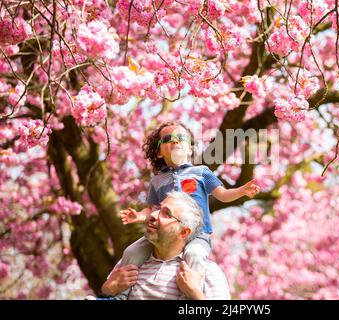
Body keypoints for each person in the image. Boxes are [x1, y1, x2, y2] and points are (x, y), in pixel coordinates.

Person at [108, 121, 259, 299]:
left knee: (194, 254)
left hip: (198, 234)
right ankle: (120, 295)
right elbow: (151, 209)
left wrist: (241, 191)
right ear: (158, 152)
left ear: (189, 149)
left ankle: (187, 295)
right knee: (131, 252)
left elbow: (223, 194)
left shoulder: (201, 172)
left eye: (181, 138)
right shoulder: (157, 180)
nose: (175, 141)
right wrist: (139, 216)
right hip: (167, 233)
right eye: (168, 139)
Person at [99, 191, 231, 300]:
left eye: (166, 214)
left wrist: (195, 294)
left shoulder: (206, 272)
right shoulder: (132, 263)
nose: (152, 215)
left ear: (183, 232)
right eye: (157, 209)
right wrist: (107, 289)